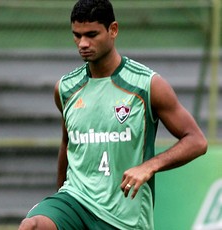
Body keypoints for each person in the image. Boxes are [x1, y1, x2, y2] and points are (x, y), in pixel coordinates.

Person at [18, 0, 208, 229]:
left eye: (91, 34)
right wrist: (59, 199)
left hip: (123, 216)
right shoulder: (66, 88)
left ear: (113, 30)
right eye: (77, 35)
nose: (83, 43)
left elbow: (197, 141)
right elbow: (67, 144)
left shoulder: (147, 85)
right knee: (32, 226)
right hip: (75, 201)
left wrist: (149, 166)